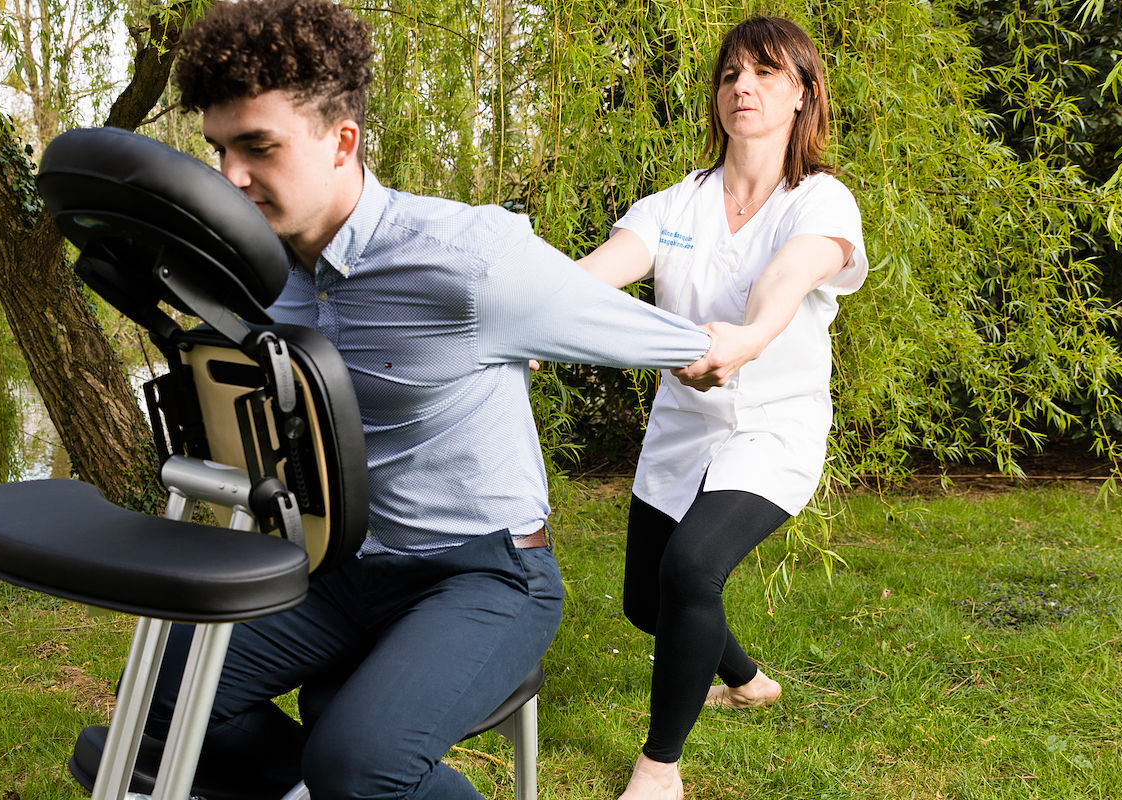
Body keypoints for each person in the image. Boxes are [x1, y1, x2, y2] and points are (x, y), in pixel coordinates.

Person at [129, 2, 717, 799]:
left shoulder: (471, 259)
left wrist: (711, 351)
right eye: (220, 150)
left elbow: (662, 336)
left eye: (258, 148)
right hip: (337, 570)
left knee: (358, 767)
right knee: (159, 707)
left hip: (483, 574)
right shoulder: (251, 277)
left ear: (343, 142)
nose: (230, 177)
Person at [574, 16, 868, 800]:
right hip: (683, 424)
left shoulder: (822, 200)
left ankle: (658, 768)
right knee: (649, 602)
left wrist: (744, 339)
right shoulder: (676, 203)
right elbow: (601, 273)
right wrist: (537, 316)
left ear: (802, 94)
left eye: (766, 74)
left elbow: (788, 279)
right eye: (732, 73)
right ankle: (746, 679)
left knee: (693, 567)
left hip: (774, 422)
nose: (744, 87)